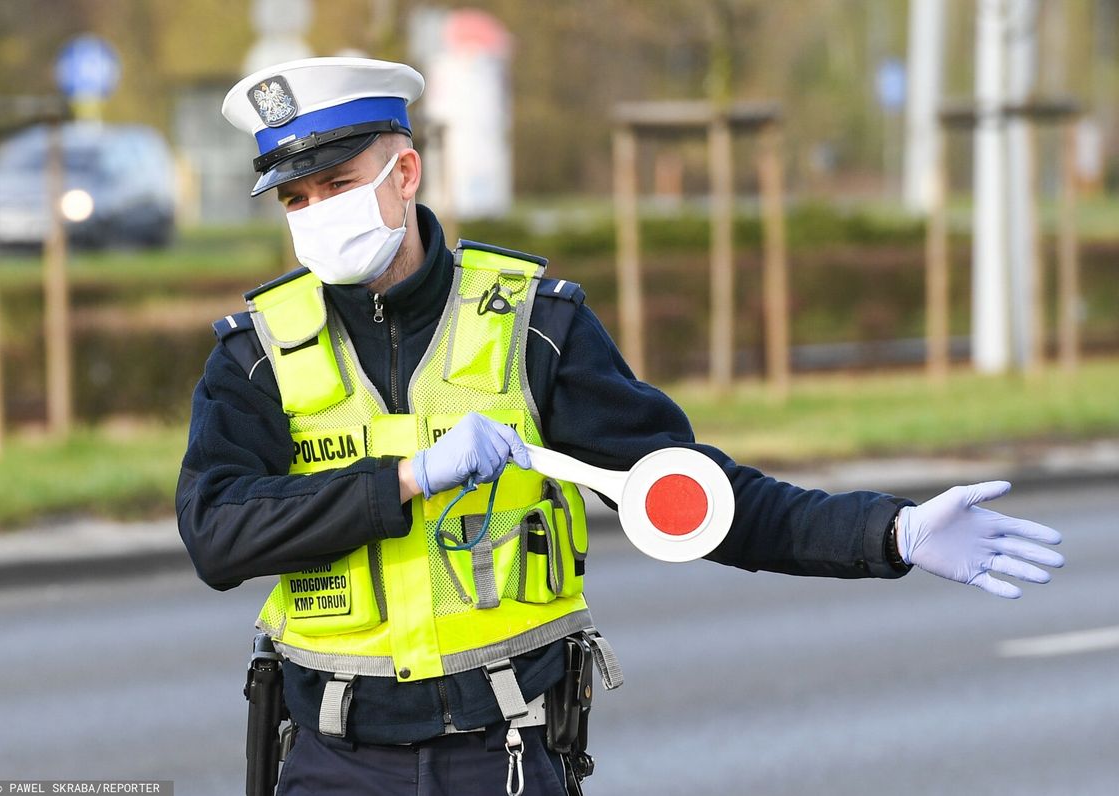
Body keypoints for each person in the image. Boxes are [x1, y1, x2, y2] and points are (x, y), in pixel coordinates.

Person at [177, 56, 1064, 796]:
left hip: (508, 755)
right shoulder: (257, 354)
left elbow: (697, 500)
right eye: (294, 199)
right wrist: (406, 480)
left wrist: (892, 532)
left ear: (403, 174)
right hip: (335, 761)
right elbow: (217, 535)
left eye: (334, 184)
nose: (314, 214)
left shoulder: (535, 328)